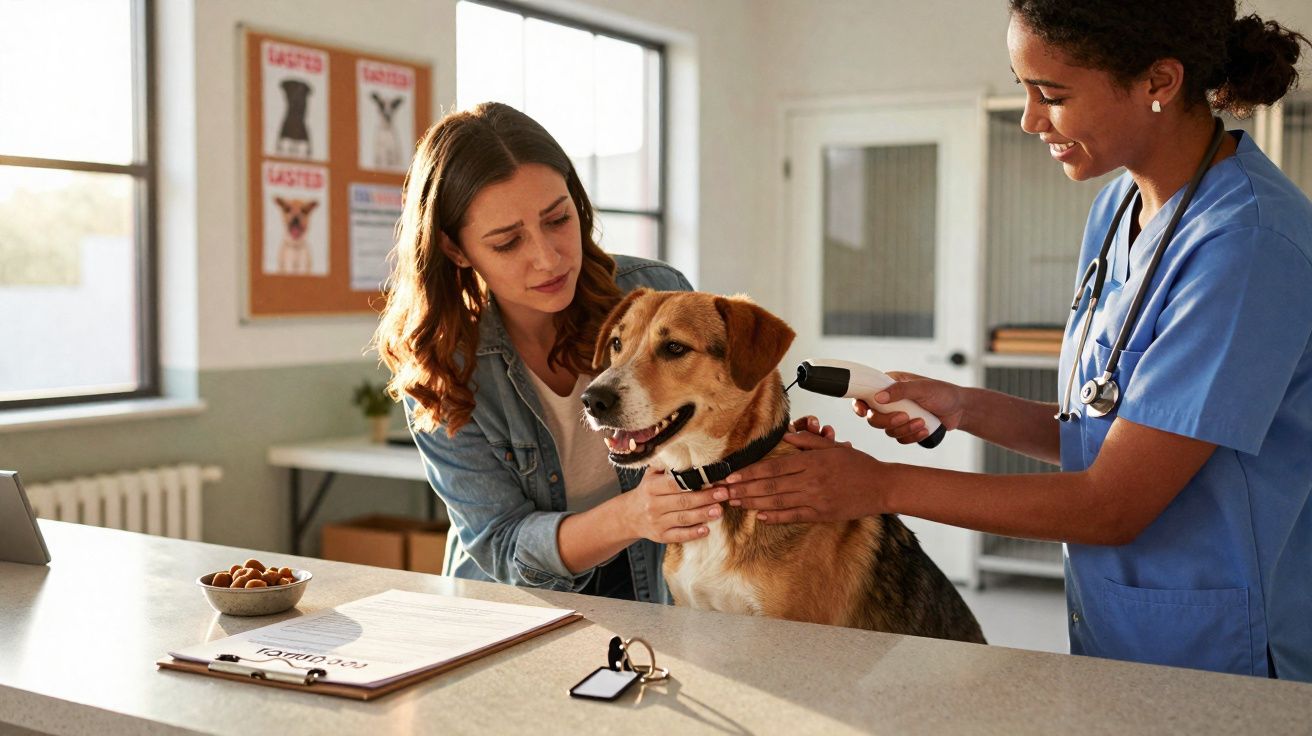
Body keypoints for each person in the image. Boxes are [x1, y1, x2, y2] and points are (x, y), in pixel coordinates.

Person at [722, 0, 1312, 681]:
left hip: (1223, 649)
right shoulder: (1118, 207)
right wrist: (963, 406)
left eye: (1052, 95)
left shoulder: (1248, 246)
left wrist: (876, 485)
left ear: (1160, 81)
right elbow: (1104, 426)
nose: (1031, 118)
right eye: (1023, 87)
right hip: (1122, 623)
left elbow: (1112, 501)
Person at [373, 103, 725, 603]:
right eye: (507, 242)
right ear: (456, 250)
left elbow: (723, 426)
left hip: (652, 582)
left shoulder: (653, 294)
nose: (548, 257)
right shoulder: (443, 365)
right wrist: (632, 516)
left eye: (558, 219)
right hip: (511, 606)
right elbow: (500, 544)